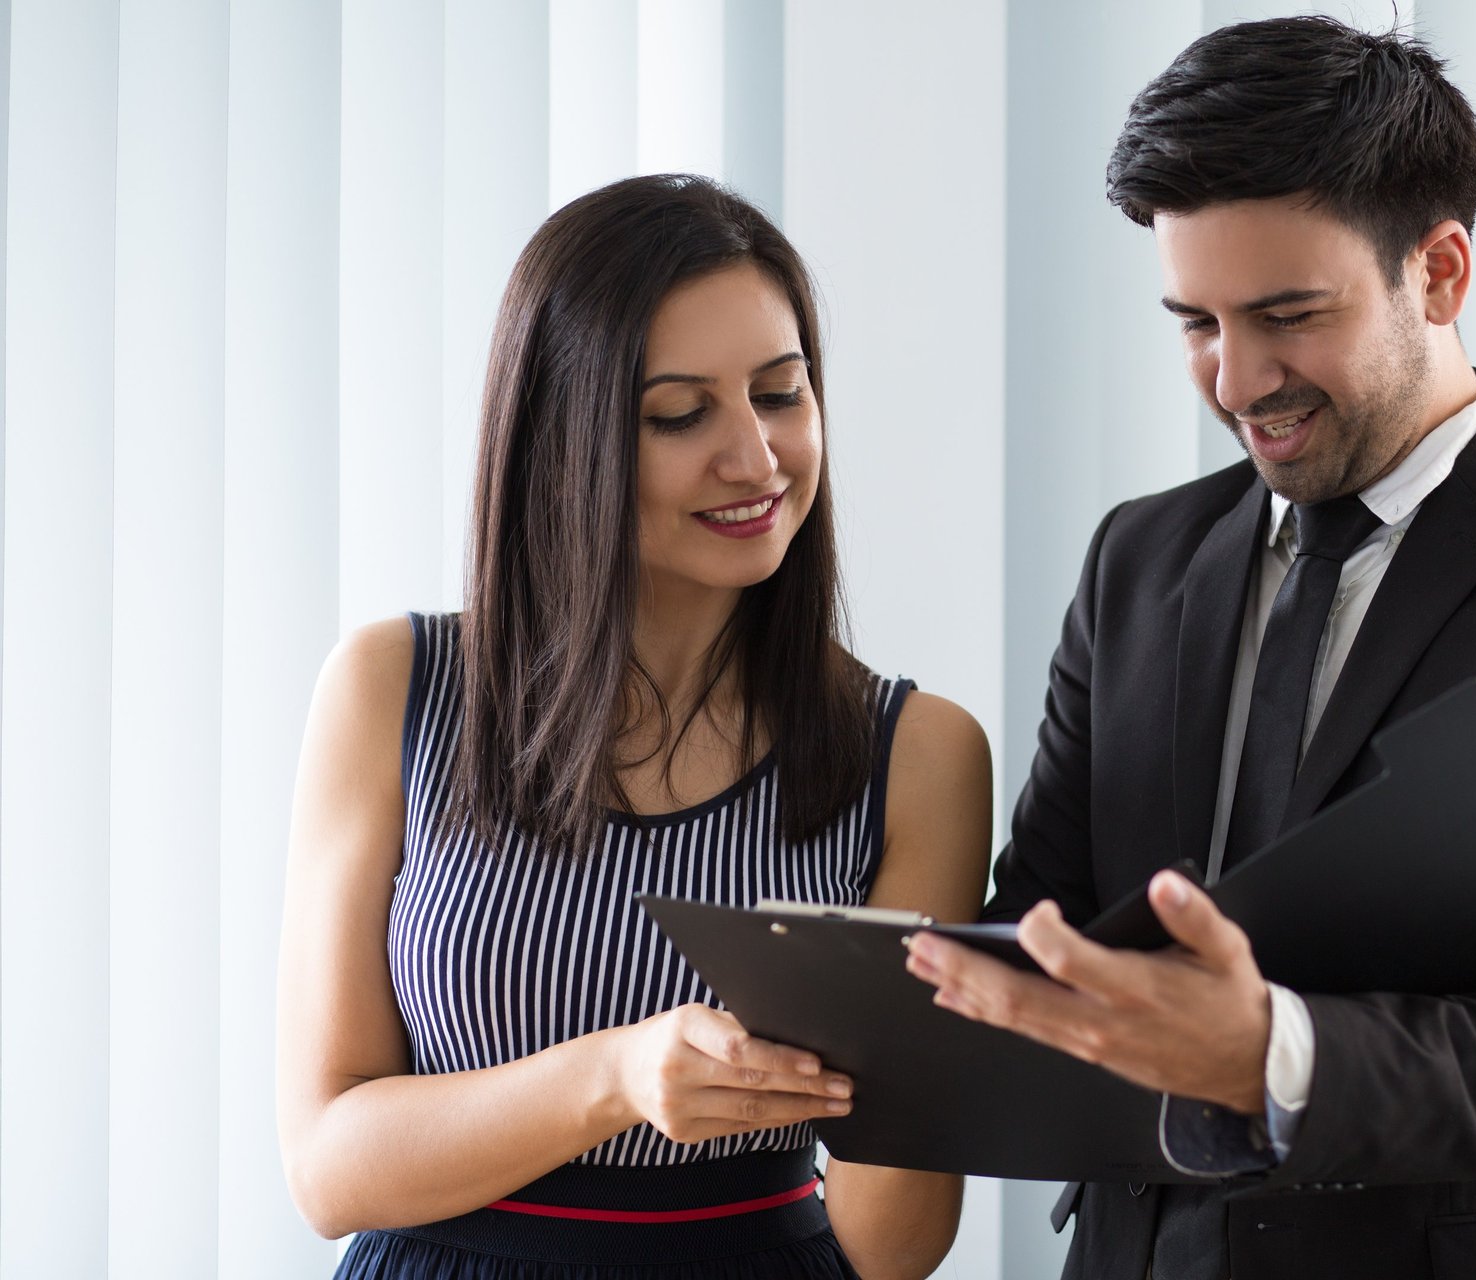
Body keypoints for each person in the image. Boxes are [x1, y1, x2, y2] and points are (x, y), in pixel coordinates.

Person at [905, 16, 1476, 1280]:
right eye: (1194, 320)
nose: (1236, 379)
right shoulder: (1137, 560)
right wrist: (851, 996)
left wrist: (1272, 1048)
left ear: (1442, 271)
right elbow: (1047, 920)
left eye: (1286, 314)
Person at [277, 174, 991, 1280]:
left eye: (781, 393)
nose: (755, 457)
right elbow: (329, 1166)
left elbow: (892, 1246)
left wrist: (919, 1048)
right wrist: (615, 1074)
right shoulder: (395, 687)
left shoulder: (918, 753)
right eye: (680, 412)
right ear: (564, 441)